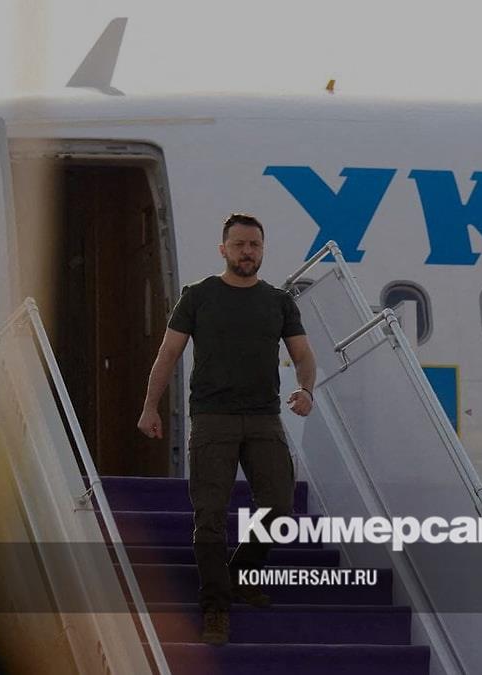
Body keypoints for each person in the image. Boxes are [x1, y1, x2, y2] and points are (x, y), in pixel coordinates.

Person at [136, 213, 317, 646]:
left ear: (262, 249)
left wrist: (306, 389)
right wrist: (149, 406)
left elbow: (303, 355)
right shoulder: (199, 296)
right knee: (210, 516)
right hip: (212, 418)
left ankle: (239, 573)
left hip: (263, 417)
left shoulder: (278, 301)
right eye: (239, 245)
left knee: (279, 505)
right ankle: (215, 608)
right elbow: (168, 354)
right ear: (223, 249)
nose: (247, 252)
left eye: (254, 245)